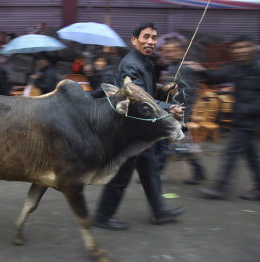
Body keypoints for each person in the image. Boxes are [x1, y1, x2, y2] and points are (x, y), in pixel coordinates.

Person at [93, 22, 185, 230]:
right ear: (134, 40)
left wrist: (163, 91)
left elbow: (148, 93)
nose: (150, 41)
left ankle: (159, 211)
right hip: (129, 129)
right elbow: (138, 100)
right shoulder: (131, 64)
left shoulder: (144, 61)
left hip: (142, 129)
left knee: (150, 169)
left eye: (154, 37)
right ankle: (102, 216)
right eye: (145, 37)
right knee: (122, 174)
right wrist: (168, 107)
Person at [186, 35, 260, 200]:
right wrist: (200, 70)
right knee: (251, 156)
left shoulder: (258, 67)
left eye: (244, 47)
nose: (239, 51)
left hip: (250, 120)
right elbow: (217, 77)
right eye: (236, 48)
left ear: (253, 48)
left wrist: (244, 109)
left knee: (231, 153)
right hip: (241, 119)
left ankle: (220, 188)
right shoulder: (237, 67)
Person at [159, 38, 207, 184]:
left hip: (179, 112)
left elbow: (188, 93)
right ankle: (198, 171)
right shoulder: (173, 67)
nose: (167, 53)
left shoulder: (183, 68)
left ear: (180, 51)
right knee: (174, 142)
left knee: (175, 142)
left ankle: (198, 171)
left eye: (171, 50)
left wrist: (181, 112)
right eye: (165, 51)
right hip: (174, 111)